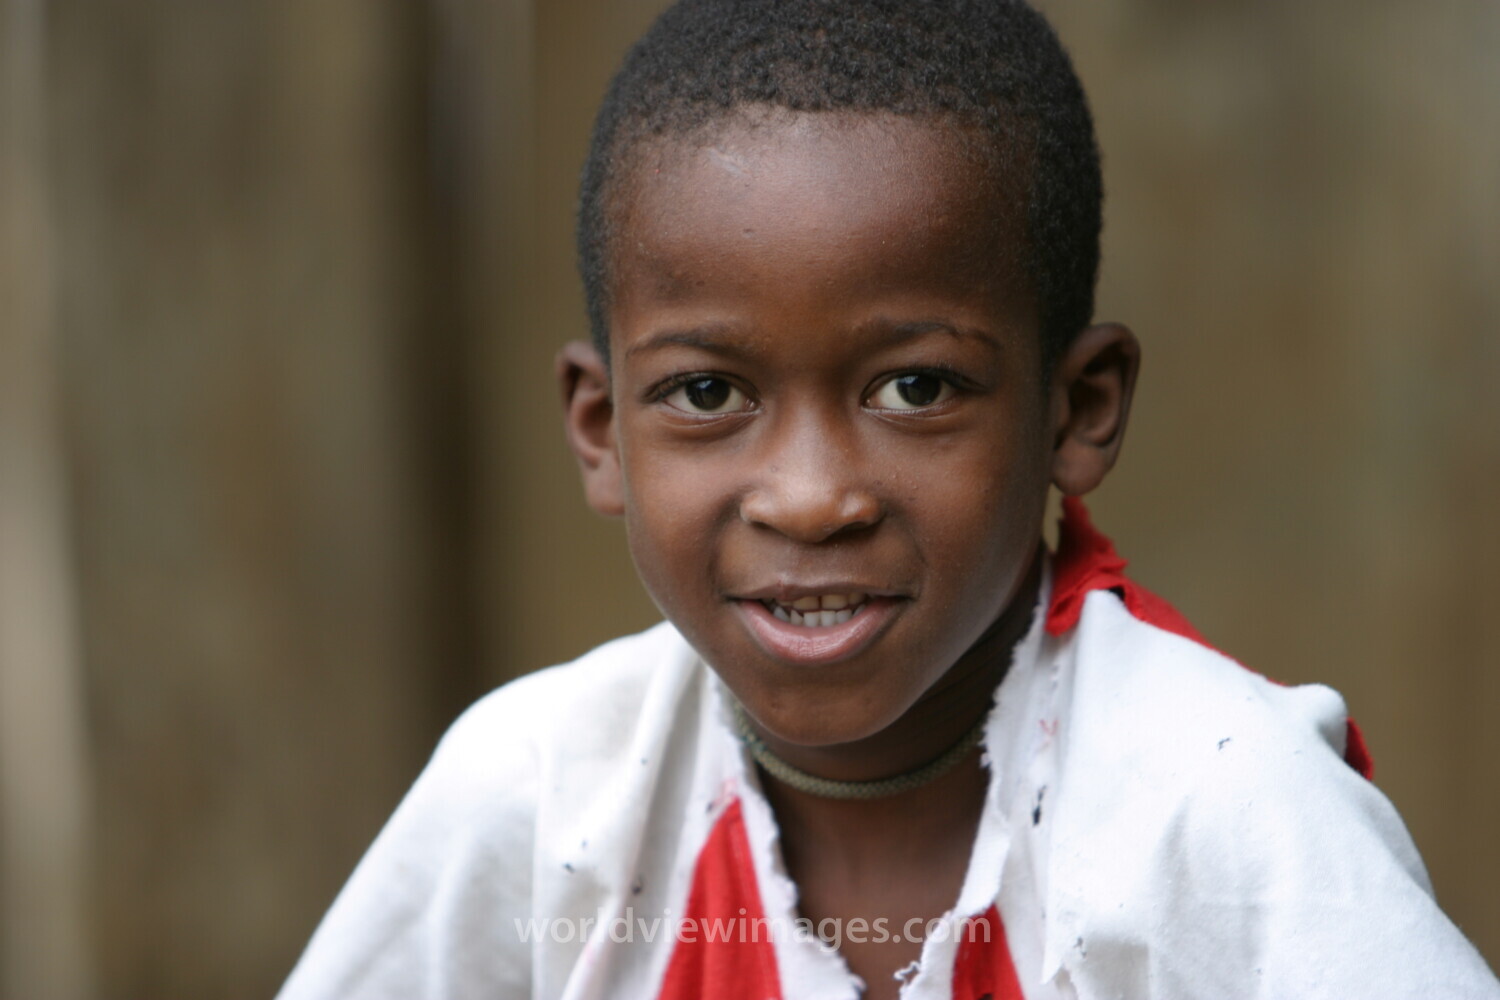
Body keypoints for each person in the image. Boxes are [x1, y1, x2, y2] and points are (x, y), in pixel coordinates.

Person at [278, 1, 1500, 997]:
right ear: (602, 432)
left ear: (1078, 410)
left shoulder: (1215, 816)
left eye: (916, 387)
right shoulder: (549, 796)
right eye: (707, 392)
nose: (811, 499)